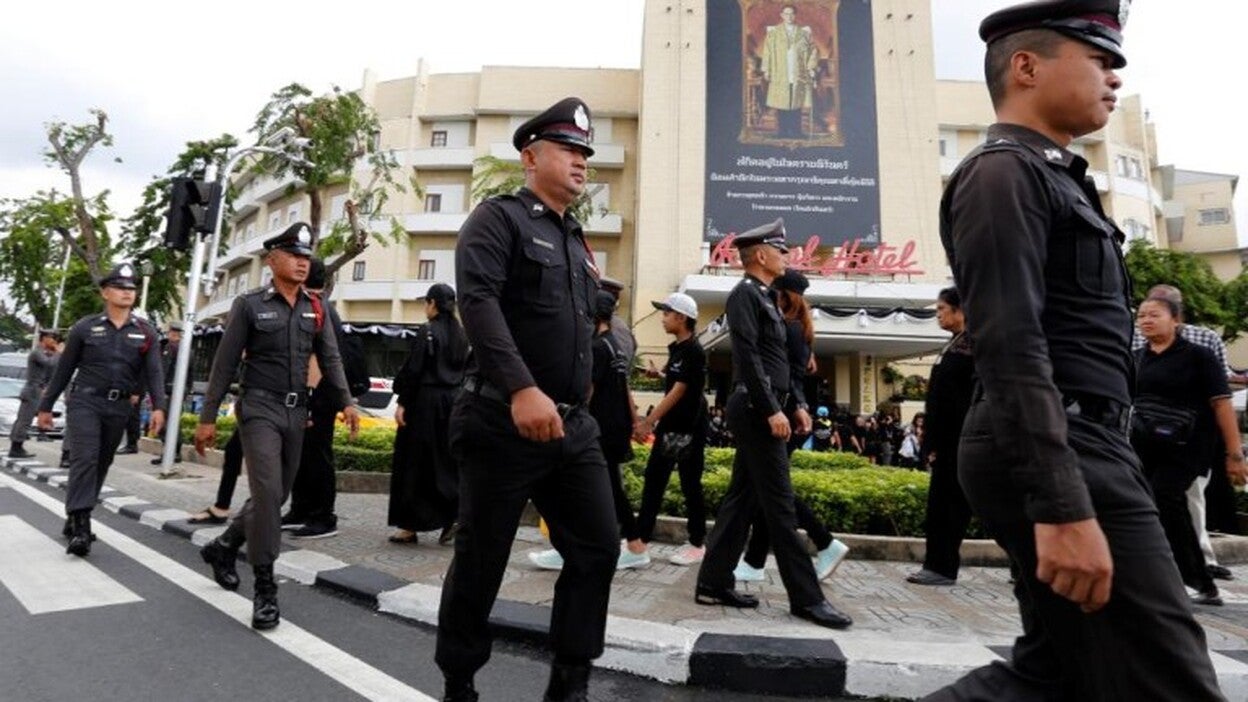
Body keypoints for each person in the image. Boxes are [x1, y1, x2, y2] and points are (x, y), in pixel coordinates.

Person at [925, 2, 1232, 699]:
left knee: (1055, 676)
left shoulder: (1056, 176)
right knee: (1172, 681)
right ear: (1026, 68)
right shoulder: (1002, 175)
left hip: (1084, 440)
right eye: (1098, 60)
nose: (1114, 78)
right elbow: (1008, 344)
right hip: (1064, 443)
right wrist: (1062, 504)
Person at [436, 97, 619, 702]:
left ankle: (569, 684)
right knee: (482, 558)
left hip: (571, 427)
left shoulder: (576, 241)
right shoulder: (499, 219)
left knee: (597, 549)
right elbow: (479, 304)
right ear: (530, 157)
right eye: (569, 149)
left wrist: (583, 388)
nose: (581, 161)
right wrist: (521, 388)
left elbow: (578, 327)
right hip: (500, 418)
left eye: (585, 152)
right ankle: (459, 680)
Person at [194, 223, 360, 631]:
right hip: (258, 408)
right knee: (268, 493)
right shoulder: (250, 305)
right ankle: (265, 588)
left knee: (276, 495)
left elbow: (331, 358)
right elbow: (224, 364)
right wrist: (207, 416)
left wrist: (347, 401)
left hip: (296, 412)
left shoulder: (315, 308)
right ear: (272, 260)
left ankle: (224, 545)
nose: (303, 263)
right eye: (294, 256)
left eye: (306, 257)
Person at [694, 219, 851, 630]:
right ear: (761, 255)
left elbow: (777, 362)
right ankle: (807, 599)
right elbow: (747, 356)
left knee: (740, 500)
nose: (787, 257)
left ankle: (712, 582)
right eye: (781, 251)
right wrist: (770, 409)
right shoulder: (744, 295)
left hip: (766, 407)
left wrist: (795, 405)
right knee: (780, 504)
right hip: (754, 409)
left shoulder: (765, 297)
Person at [37, 263, 167, 557]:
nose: (127, 293)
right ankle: (82, 525)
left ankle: (75, 514)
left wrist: (159, 407)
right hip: (85, 402)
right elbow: (64, 369)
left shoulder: (145, 332)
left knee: (102, 462)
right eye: (120, 288)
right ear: (105, 293)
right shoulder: (85, 328)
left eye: (131, 288)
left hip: (119, 406)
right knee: (84, 458)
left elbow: (154, 372)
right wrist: (46, 406)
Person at [735, 268, 849, 584]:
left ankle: (824, 542)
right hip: (783, 413)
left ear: (784, 295)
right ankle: (754, 562)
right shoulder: (796, 328)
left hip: (782, 416)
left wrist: (796, 407)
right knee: (764, 489)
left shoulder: (790, 329)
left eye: (774, 291)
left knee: (774, 489)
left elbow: (790, 378)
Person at [1132, 296, 1244, 606]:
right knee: (1149, 505)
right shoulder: (1137, 358)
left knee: (1166, 496)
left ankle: (1200, 581)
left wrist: (1234, 454)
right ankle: (1171, 577)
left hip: (1189, 447)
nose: (1146, 320)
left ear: (1176, 319)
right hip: (1147, 445)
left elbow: (1222, 404)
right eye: (1142, 316)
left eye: (1154, 314)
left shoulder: (1198, 356)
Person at [387, 282, 468, 545]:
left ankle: (409, 526)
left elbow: (414, 370)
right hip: (452, 402)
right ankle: (453, 516)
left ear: (432, 303)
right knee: (445, 462)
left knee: (414, 463)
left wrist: (403, 402)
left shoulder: (428, 331)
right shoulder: (461, 333)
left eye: (426, 302)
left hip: (425, 403)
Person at [283, 258, 359, 539]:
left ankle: (324, 517)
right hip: (314, 395)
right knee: (302, 455)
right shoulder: (317, 306)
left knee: (318, 456)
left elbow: (320, 358)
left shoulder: (319, 308)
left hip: (319, 397)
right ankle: (300, 510)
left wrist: (309, 398)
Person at [632, 291, 709, 567]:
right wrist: (659, 375)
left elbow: (679, 390)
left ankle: (697, 543)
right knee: (654, 480)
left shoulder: (694, 350)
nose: (662, 318)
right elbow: (676, 378)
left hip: (687, 428)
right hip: (673, 426)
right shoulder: (678, 348)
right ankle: (639, 541)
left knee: (689, 484)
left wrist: (648, 421)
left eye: (666, 313)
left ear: (681, 317)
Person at [908, 288, 975, 587]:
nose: (937, 314)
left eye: (941, 309)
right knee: (938, 506)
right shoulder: (953, 344)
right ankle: (935, 564)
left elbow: (960, 401)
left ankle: (944, 567)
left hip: (960, 439)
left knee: (952, 506)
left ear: (960, 310)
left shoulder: (973, 348)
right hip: (944, 440)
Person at [761, 4, 819, 138]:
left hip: (798, 72)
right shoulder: (773, 33)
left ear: (795, 15)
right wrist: (766, 69)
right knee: (782, 103)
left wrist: (811, 67)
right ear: (782, 15)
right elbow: (767, 52)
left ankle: (796, 132)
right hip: (780, 72)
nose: (789, 16)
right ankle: (782, 132)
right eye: (786, 14)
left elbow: (813, 50)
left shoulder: (804, 33)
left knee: (796, 103)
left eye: (792, 13)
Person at [8, 329, 61, 458]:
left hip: (38, 390)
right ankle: (16, 447)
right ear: (44, 338)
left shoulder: (46, 353)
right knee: (25, 419)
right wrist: (59, 353)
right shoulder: (36, 353)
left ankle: (17, 445)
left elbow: (53, 369)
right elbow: (49, 363)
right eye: (52, 338)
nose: (54, 341)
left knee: (26, 419)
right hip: (32, 390)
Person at [151, 321, 185, 465]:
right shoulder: (172, 347)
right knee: (169, 421)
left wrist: (159, 389)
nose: (172, 335)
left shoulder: (176, 348)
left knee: (167, 422)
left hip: (170, 391)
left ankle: (173, 452)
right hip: (171, 390)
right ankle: (170, 452)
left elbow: (164, 371)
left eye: (174, 333)